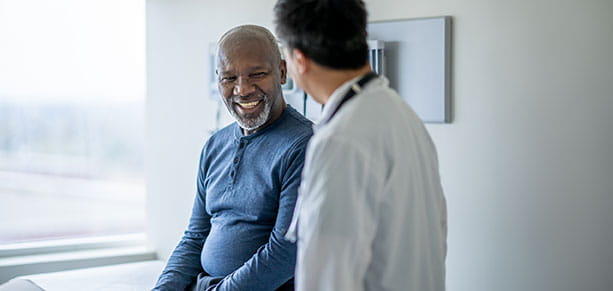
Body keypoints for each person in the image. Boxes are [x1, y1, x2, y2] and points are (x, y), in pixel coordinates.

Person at [274, 1, 448, 290]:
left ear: (299, 61)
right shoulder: (404, 116)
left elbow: (327, 276)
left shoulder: (339, 141)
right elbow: (438, 233)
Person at [152, 25, 313, 291]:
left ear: (282, 72)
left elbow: (285, 252)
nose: (242, 89)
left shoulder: (305, 145)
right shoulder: (214, 146)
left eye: (257, 74)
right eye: (229, 78)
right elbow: (195, 237)